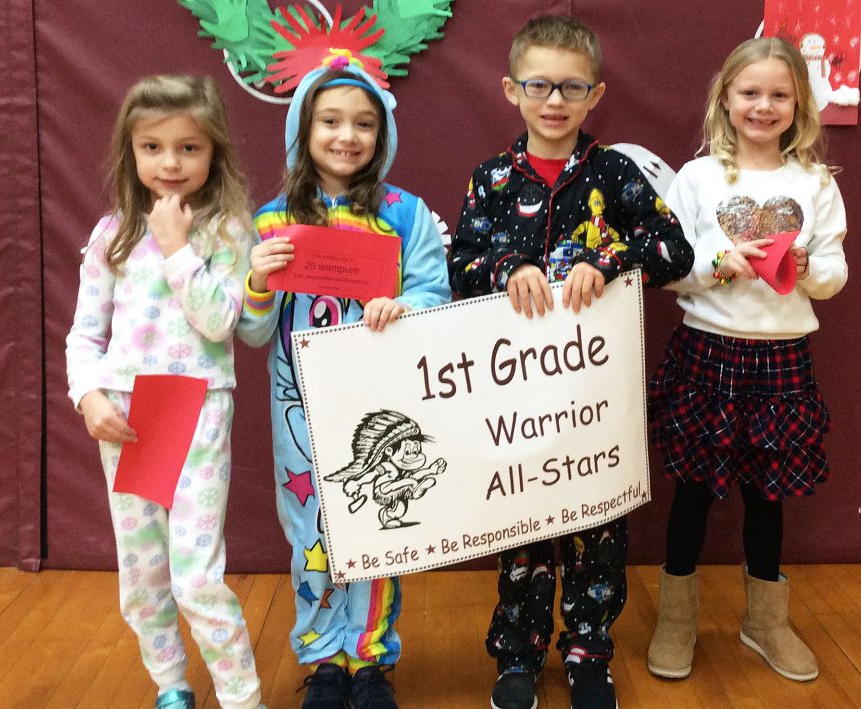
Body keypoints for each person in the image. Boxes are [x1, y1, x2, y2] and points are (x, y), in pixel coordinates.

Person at [448, 15, 693, 709]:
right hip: (516, 397)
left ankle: (588, 649)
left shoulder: (615, 173)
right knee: (525, 528)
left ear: (595, 95)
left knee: (597, 529)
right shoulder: (492, 179)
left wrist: (608, 259)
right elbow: (459, 263)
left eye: (571, 87)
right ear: (511, 90)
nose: (554, 100)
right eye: (539, 85)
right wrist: (506, 265)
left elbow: (676, 250)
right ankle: (517, 654)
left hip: (596, 396)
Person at [236, 57, 450, 709]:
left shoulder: (405, 213)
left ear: (381, 135)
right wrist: (256, 282)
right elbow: (250, 331)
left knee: (377, 525)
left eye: (363, 123)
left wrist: (405, 307)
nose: (346, 136)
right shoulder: (273, 220)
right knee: (312, 533)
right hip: (297, 408)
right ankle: (323, 656)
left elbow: (435, 294)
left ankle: (371, 657)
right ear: (304, 129)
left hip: (380, 405)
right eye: (330, 121)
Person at [646, 37, 848, 684]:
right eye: (751, 93)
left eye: (779, 95)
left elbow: (837, 273)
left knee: (769, 494)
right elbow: (672, 270)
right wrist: (715, 264)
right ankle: (676, 618)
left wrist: (811, 267)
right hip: (708, 352)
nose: (764, 106)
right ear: (726, 99)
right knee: (694, 493)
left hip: (781, 362)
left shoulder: (815, 182)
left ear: (799, 104)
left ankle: (766, 619)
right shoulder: (698, 177)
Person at [65, 75, 263, 709]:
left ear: (214, 153)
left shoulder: (230, 232)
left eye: (188, 148)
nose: (170, 163)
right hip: (129, 416)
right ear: (131, 152)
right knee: (144, 574)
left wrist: (179, 248)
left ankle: (241, 697)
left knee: (195, 574)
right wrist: (89, 396)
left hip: (196, 408)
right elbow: (84, 336)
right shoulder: (111, 235)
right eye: (152, 147)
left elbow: (218, 322)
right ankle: (172, 686)